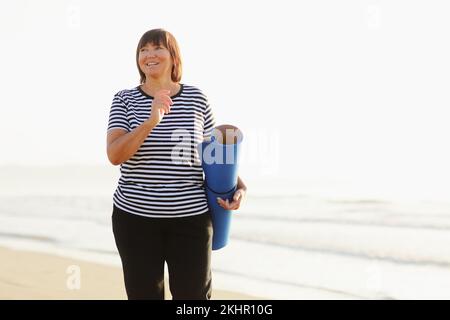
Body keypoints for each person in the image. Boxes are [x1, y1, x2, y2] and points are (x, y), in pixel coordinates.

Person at [106, 28, 247, 300]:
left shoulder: (197, 98)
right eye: (143, 50)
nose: (149, 55)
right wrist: (151, 121)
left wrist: (239, 187)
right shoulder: (124, 99)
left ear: (173, 56)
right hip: (136, 218)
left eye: (157, 48)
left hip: (191, 218)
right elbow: (115, 155)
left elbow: (212, 155)